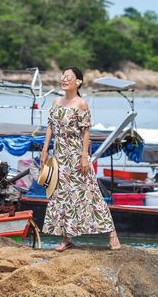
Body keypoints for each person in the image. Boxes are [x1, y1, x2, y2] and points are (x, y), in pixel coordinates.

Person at [40, 66, 121, 251]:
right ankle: (66, 238)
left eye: (68, 77)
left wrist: (84, 157)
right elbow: (50, 127)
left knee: (89, 193)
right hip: (59, 154)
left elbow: (86, 132)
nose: (64, 79)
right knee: (61, 195)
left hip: (76, 155)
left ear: (78, 82)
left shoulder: (81, 104)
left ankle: (112, 234)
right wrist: (45, 150)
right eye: (63, 76)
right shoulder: (55, 101)